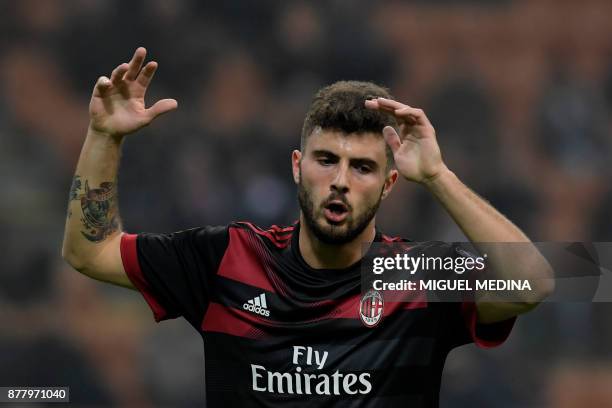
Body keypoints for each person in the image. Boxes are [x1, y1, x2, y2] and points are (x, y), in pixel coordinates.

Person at [62, 47, 553, 407]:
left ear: (389, 184)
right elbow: (89, 252)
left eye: (362, 167)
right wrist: (103, 137)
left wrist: (439, 177)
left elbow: (536, 283)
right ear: (297, 165)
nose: (339, 181)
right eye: (325, 160)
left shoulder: (419, 275)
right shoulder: (227, 257)